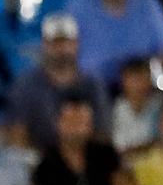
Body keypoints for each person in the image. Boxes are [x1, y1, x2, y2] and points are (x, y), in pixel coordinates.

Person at [7, 14, 109, 153]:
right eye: (55, 43)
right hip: (39, 163)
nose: (61, 49)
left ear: (76, 43)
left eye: (66, 42)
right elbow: (18, 134)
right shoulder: (26, 86)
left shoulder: (92, 84)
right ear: (44, 44)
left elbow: (101, 133)